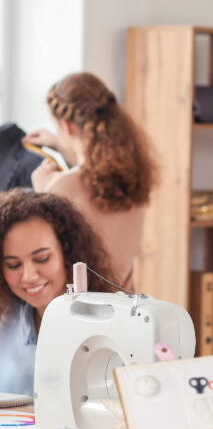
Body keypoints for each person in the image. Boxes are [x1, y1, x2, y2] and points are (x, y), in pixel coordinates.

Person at [23, 72, 157, 289]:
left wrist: (42, 192)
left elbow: (44, 259)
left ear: (67, 126)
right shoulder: (131, 180)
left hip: (82, 308)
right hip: (126, 305)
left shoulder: (61, 187)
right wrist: (62, 145)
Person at [0, 188, 115, 395]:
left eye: (42, 259)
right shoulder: (7, 320)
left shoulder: (105, 321)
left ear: (68, 252)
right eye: (13, 264)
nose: (28, 276)